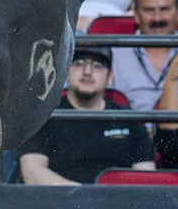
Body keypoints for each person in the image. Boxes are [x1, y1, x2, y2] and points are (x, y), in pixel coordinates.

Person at [18, 48, 156, 184]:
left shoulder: (129, 117)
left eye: (97, 66)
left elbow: (146, 175)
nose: (87, 72)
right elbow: (32, 172)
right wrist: (81, 194)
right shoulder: (45, 116)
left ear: (110, 77)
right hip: (60, 197)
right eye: (78, 63)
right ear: (66, 72)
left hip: (117, 197)